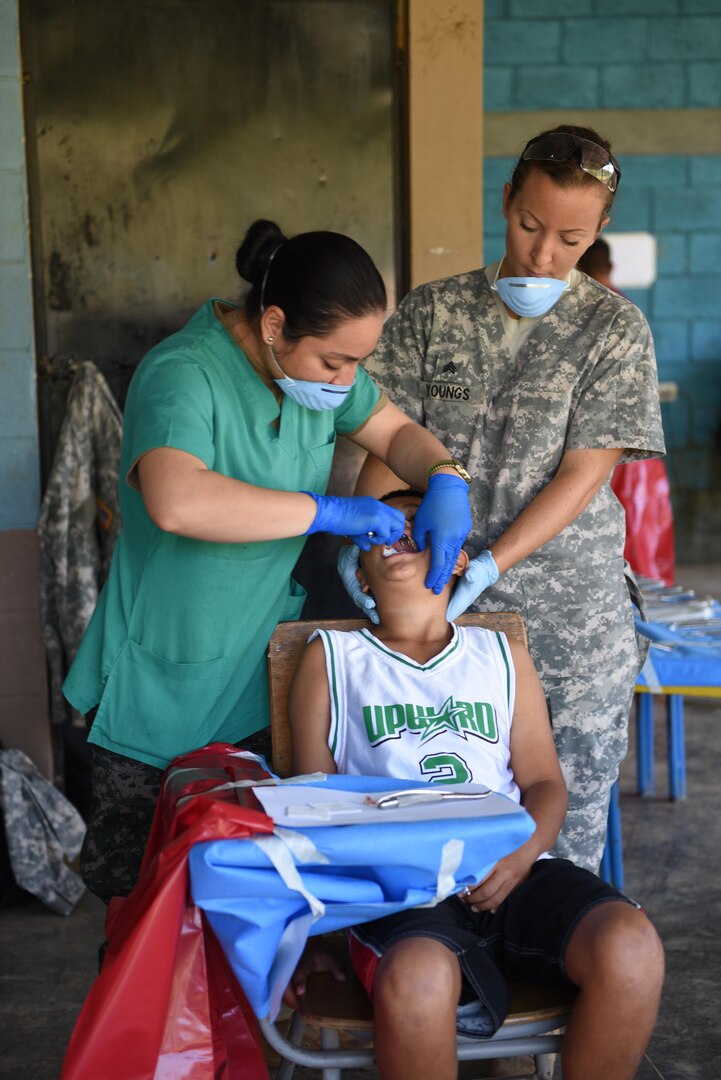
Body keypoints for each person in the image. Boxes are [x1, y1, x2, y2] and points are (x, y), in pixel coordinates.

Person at [62, 219, 472, 903]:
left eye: (356, 364)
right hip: (157, 687)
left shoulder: (313, 377)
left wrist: (447, 475)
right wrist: (328, 512)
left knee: (246, 899)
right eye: (333, 363)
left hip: (252, 675)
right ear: (275, 324)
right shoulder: (182, 373)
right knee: (148, 909)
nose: (345, 383)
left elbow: (395, 430)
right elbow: (176, 500)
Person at [341, 125, 666, 872]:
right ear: (505, 201)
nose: (543, 254)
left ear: (599, 233)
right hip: (433, 609)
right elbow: (382, 442)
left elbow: (582, 475)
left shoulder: (614, 331)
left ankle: (555, 958)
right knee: (431, 812)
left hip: (569, 623)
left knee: (562, 831)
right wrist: (373, 546)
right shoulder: (432, 314)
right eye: (528, 226)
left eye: (570, 238)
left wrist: (487, 566)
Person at [287, 490, 664, 1080]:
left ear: (458, 556)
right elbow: (310, 809)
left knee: (630, 946)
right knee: (417, 978)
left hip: (508, 872)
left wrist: (521, 856)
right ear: (355, 566)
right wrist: (312, 935)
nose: (398, 535)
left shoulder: (500, 652)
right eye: (380, 531)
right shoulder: (332, 658)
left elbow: (544, 782)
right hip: (399, 891)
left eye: (416, 524)